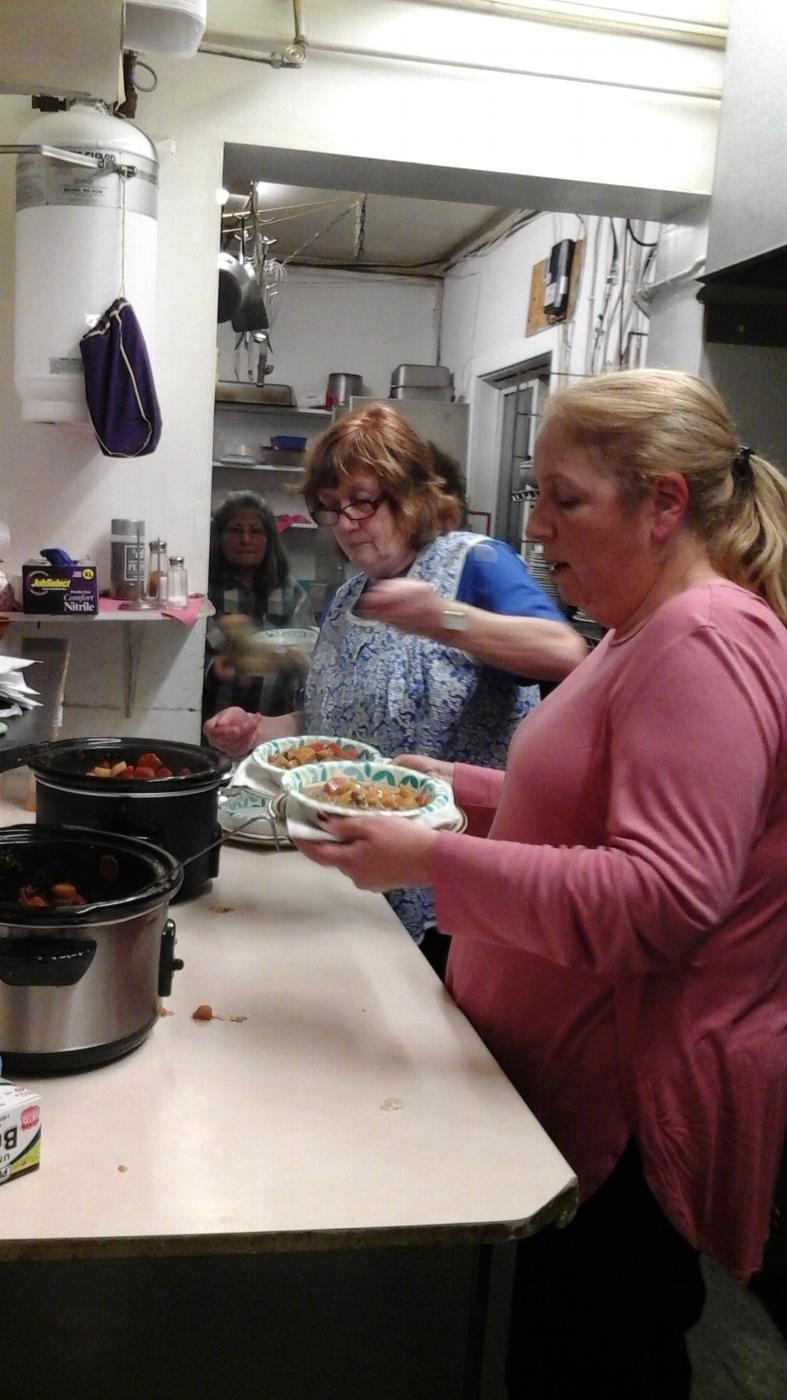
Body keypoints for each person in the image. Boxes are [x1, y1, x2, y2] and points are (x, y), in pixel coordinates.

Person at [290, 369, 787, 1398]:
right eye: (535, 491)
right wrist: (451, 786)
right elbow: (581, 801)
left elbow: (661, 896)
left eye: (565, 497)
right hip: (550, 1097)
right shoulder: (637, 631)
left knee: (592, 1361)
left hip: (619, 1123)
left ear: (663, 504)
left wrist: (431, 858)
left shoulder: (703, 638)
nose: (535, 524)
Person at [204, 402, 587, 942]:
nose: (346, 524)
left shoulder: (473, 564)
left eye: (361, 501)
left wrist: (444, 619)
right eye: (331, 508)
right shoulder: (346, 599)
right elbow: (331, 725)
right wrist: (258, 729)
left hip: (450, 886)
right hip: (359, 871)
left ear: (409, 491)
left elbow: (566, 653)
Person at [202, 491, 314, 724]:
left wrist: (281, 657)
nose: (245, 539)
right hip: (216, 726)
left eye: (256, 531)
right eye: (235, 530)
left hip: (276, 728)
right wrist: (214, 668)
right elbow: (188, 660)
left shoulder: (290, 592)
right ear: (219, 536)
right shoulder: (204, 593)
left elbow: (309, 656)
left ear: (269, 538)